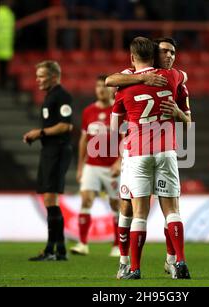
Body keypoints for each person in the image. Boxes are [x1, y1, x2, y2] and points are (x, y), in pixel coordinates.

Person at [106, 37, 192, 279]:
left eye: (172, 52)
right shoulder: (173, 77)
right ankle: (180, 262)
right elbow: (183, 75)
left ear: (133, 57)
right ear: (154, 55)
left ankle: (133, 268)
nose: (169, 56)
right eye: (165, 52)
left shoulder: (123, 86)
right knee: (172, 211)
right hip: (166, 152)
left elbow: (113, 128)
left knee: (138, 213)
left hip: (137, 154)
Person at [23, 61, 73, 261]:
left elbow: (66, 126)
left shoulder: (62, 96)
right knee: (48, 200)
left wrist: (40, 132)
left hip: (58, 150)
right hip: (49, 150)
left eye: (41, 76)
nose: (37, 80)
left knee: (51, 199)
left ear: (54, 76)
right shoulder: (50, 97)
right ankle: (58, 250)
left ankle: (53, 250)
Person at [71, 75, 122, 257]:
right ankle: (82, 244)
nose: (101, 89)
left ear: (112, 89)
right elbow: (84, 140)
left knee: (116, 204)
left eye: (105, 86)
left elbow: (126, 138)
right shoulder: (88, 111)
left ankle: (117, 246)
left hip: (112, 166)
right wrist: (80, 167)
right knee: (86, 200)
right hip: (92, 164)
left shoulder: (119, 110)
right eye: (98, 86)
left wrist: (119, 162)